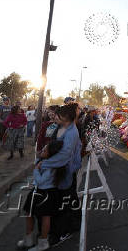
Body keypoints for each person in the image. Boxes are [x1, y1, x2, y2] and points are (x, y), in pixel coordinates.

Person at [39, 104, 82, 245]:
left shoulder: (71, 132)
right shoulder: (65, 128)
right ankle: (68, 227)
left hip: (66, 172)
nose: (56, 117)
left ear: (66, 117)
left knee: (64, 204)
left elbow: (64, 156)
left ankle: (63, 232)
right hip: (63, 171)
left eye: (60, 115)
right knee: (66, 201)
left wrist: (45, 164)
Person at [17, 140, 65, 250]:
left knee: (45, 217)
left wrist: (36, 170)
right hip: (38, 191)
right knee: (29, 213)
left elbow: (41, 181)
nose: (42, 150)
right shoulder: (44, 162)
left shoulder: (50, 166)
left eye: (45, 150)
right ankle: (28, 239)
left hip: (45, 192)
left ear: (51, 154)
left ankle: (43, 242)